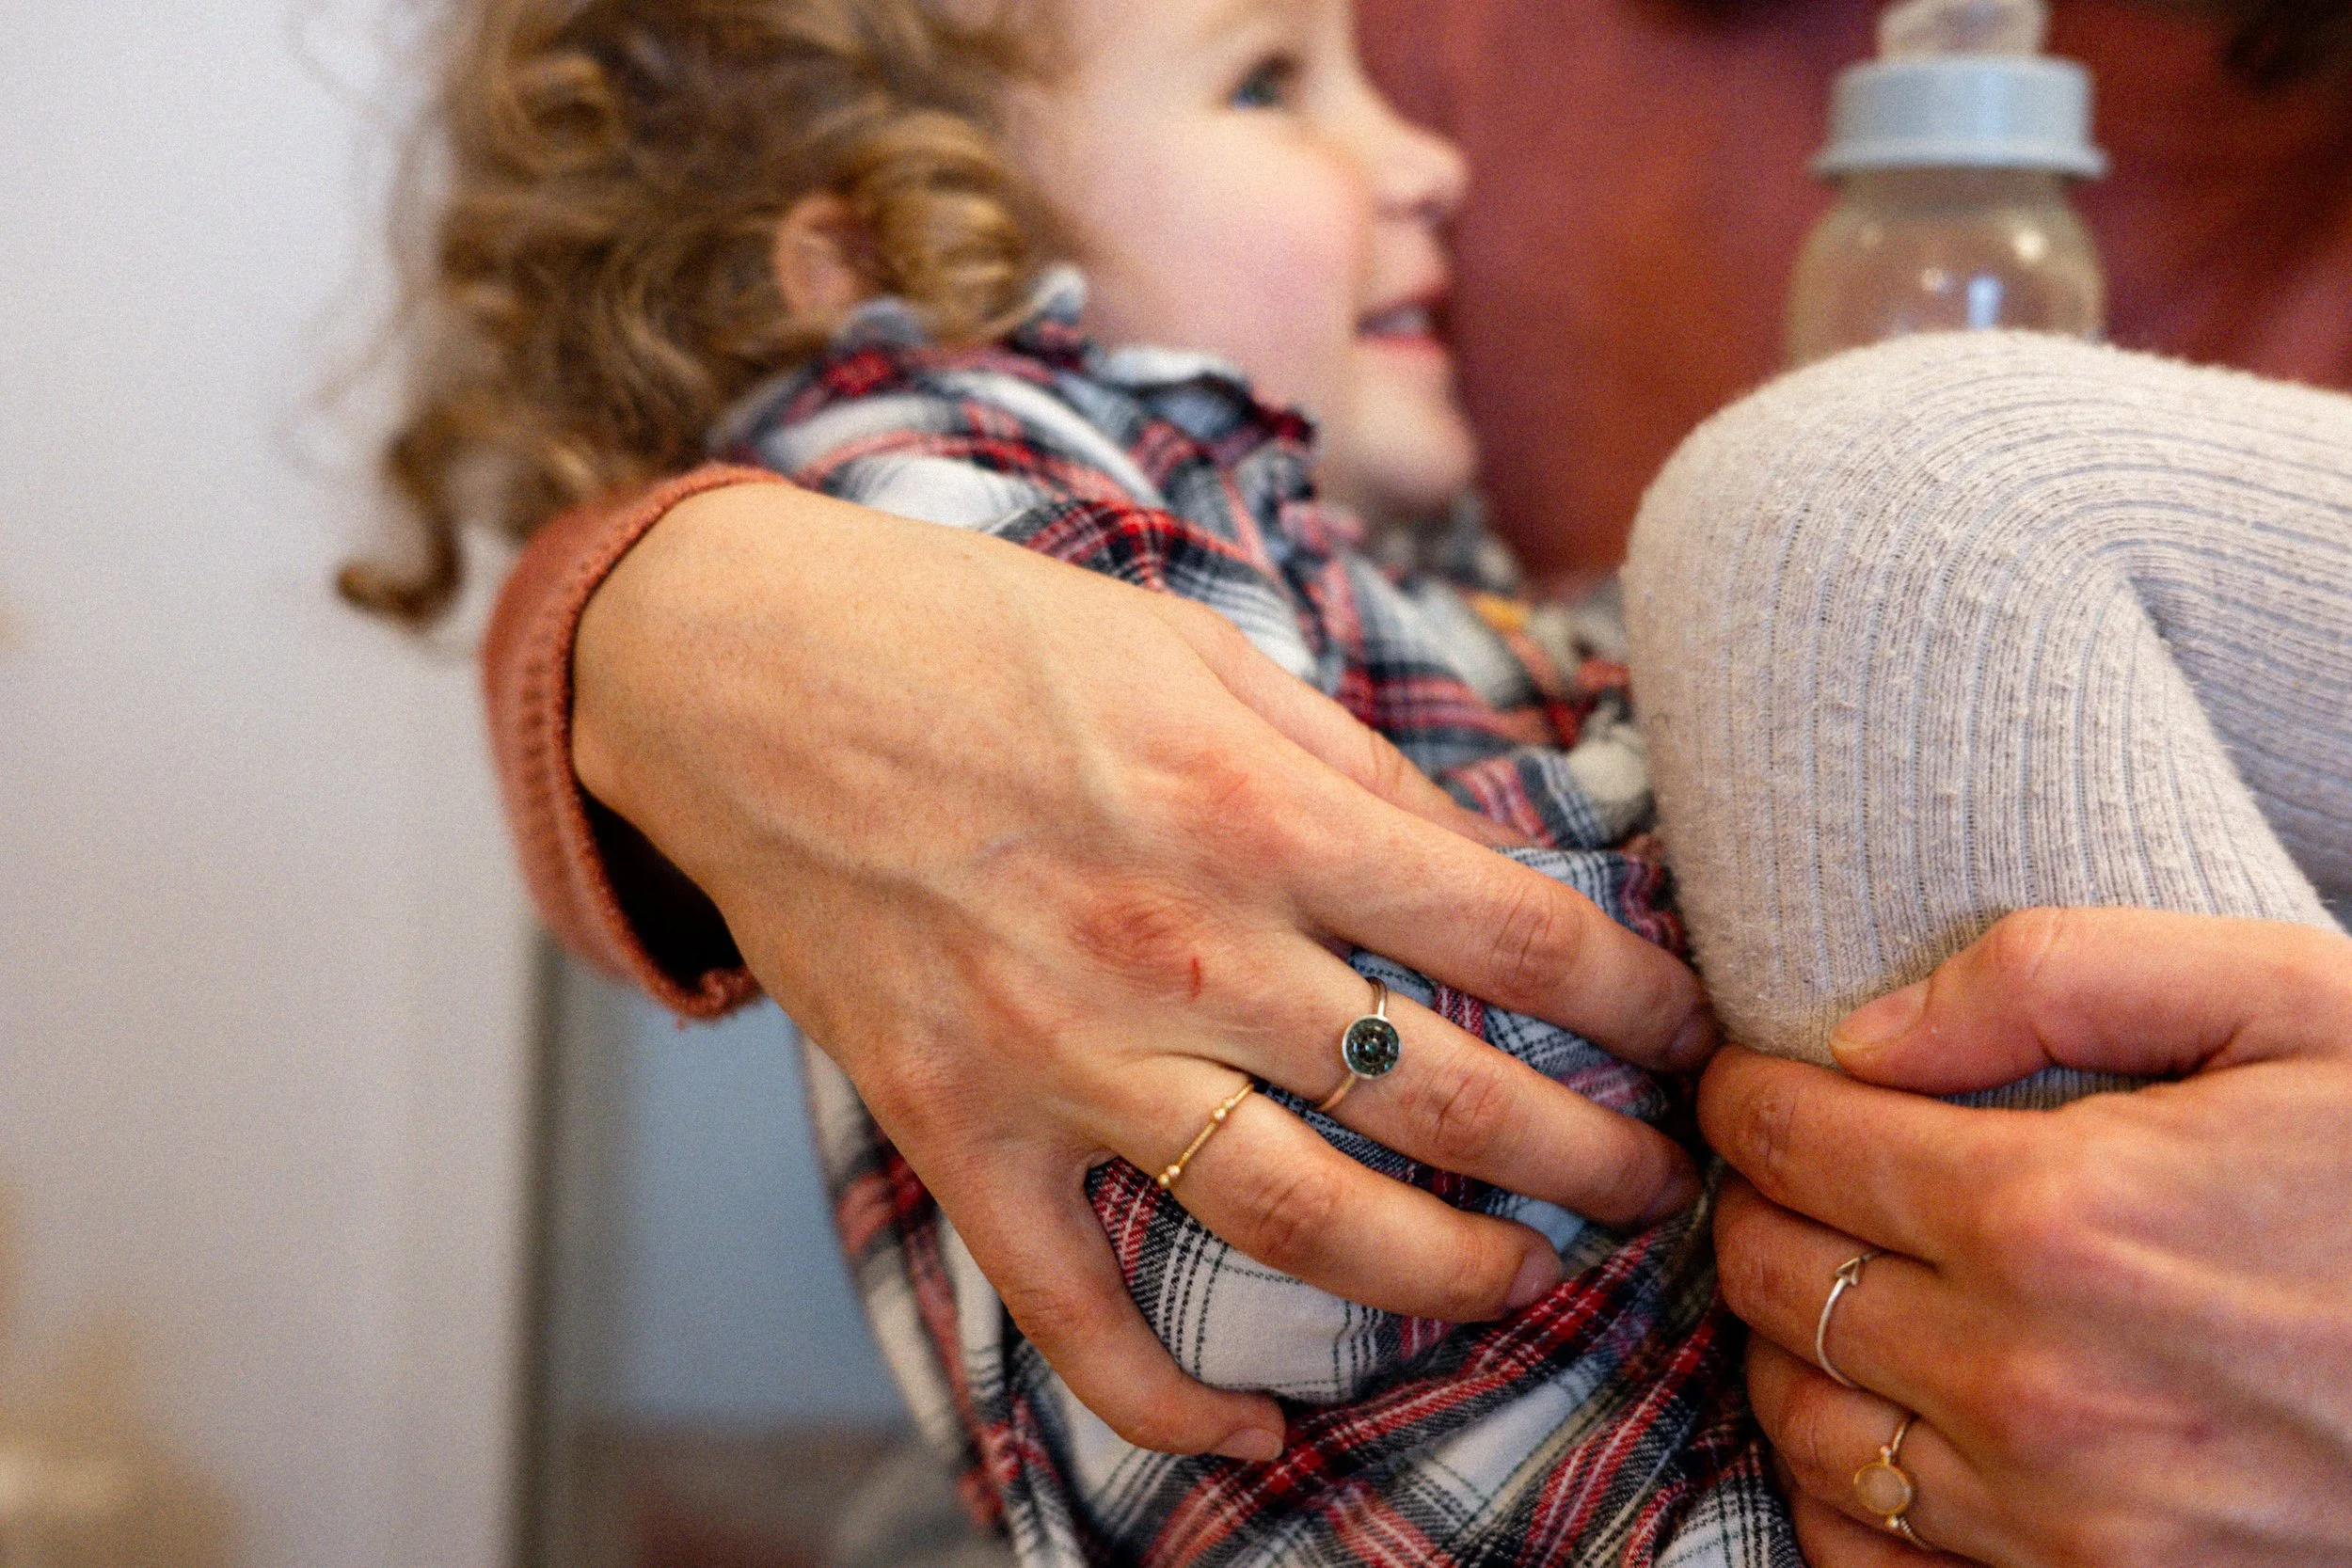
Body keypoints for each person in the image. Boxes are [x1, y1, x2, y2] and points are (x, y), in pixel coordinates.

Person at [358, 0, 2352, 1563]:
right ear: (886, 245)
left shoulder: (1276, 527)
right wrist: (661, 608)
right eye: (1267, 83)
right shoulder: (1012, 490)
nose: (1424, 158)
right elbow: (1294, 1180)